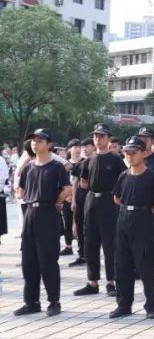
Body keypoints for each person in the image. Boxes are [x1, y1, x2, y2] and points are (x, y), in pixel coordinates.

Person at [110, 136, 154, 319]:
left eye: (133, 153)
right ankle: (124, 305)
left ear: (143, 153)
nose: (129, 156)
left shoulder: (151, 175)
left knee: (146, 266)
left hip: (143, 220)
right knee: (122, 266)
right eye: (127, 153)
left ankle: (151, 305)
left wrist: (151, 208)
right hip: (123, 220)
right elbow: (116, 197)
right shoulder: (123, 175)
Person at [14, 129, 72, 317]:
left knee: (48, 261)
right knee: (28, 261)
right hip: (30, 212)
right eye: (33, 140)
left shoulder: (56, 167)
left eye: (40, 140)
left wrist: (57, 200)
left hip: (48, 213)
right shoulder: (29, 167)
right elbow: (20, 189)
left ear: (49, 144)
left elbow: (67, 188)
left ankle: (54, 302)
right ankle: (31, 302)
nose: (35, 143)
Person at [75, 123, 126, 298]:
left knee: (109, 243)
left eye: (102, 136)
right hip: (91, 201)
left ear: (108, 138)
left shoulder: (115, 159)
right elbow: (82, 182)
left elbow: (124, 180)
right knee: (90, 242)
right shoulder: (88, 160)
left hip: (108, 202)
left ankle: (111, 281)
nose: (98, 139)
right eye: (96, 136)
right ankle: (92, 281)